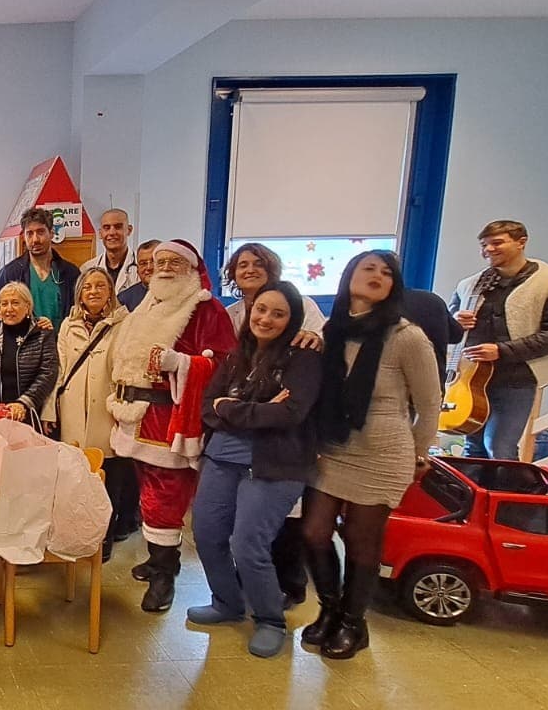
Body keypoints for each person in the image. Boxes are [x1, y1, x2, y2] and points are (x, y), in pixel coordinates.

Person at [304, 251, 440, 660]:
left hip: (383, 452)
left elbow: (430, 404)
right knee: (313, 531)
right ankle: (329, 609)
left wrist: (419, 453)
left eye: (387, 272)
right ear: (349, 276)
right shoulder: (333, 329)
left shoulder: (406, 337)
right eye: (369, 268)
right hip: (334, 447)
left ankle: (353, 622)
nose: (378, 275)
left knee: (361, 539)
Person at [188, 280, 322, 658]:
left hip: (273, 466)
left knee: (248, 545)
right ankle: (227, 602)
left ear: (292, 319)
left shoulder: (304, 358)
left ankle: (270, 620)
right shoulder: (237, 355)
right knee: (207, 534)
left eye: (278, 313)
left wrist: (230, 408)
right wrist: (255, 410)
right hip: (221, 459)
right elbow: (208, 406)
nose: (266, 318)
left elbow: (290, 414)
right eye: (261, 309)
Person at [108, 239, 237, 613]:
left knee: (166, 498)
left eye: (173, 262)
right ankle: (158, 559)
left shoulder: (205, 308)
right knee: (148, 493)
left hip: (169, 422)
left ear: (192, 268)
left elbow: (225, 364)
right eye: (158, 261)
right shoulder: (149, 302)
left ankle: (165, 577)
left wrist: (180, 363)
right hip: (136, 417)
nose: (163, 268)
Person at [220, 242, 325, 606]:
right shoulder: (231, 314)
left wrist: (317, 339)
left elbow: (314, 355)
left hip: (285, 433)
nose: (249, 269)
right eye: (242, 264)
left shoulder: (301, 305)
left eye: (258, 263)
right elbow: (231, 368)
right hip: (244, 432)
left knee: (283, 515)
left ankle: (289, 585)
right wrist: (236, 407)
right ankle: (249, 580)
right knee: (245, 518)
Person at [450, 220, 548, 460]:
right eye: (484, 245)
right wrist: (455, 320)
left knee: (499, 447)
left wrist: (501, 350)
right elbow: (448, 324)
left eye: (497, 243)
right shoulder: (469, 284)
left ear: (521, 242)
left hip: (516, 379)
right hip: (470, 379)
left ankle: (506, 485)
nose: (488, 250)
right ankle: (472, 486)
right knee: (473, 446)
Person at [43, 267, 133, 560]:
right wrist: (50, 411)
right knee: (75, 477)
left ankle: (104, 538)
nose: (93, 291)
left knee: (109, 480)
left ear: (110, 292)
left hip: (107, 413)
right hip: (72, 412)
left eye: (100, 286)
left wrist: (125, 412)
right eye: (87, 287)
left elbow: (128, 370)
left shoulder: (124, 324)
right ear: (79, 293)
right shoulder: (68, 326)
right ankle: (77, 535)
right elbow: (58, 370)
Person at [0, 283, 58, 433]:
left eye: (15, 303)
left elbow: (48, 374)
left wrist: (24, 403)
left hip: (27, 413)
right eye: (4, 304)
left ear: (27, 306)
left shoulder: (43, 334)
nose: (9, 309)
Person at [222, 243, 326, 347]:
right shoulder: (228, 314)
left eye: (259, 264)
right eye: (243, 266)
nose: (250, 270)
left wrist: (314, 338)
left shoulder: (304, 304)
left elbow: (323, 340)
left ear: (272, 270)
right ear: (233, 274)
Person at [0, 207, 81, 330]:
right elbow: (0, 315)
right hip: (23, 341)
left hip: (62, 340)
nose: (35, 240)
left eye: (40, 232)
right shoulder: (10, 273)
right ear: (24, 237)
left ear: (51, 233)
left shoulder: (70, 273)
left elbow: (78, 314)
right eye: (29, 233)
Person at [80, 208, 140, 297]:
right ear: (100, 233)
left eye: (118, 227)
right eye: (107, 228)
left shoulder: (142, 267)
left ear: (129, 230)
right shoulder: (87, 269)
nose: (112, 232)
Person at [117, 240, 161, 311]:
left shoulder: (178, 294)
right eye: (143, 263)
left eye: (154, 261)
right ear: (137, 269)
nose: (149, 267)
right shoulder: (124, 300)